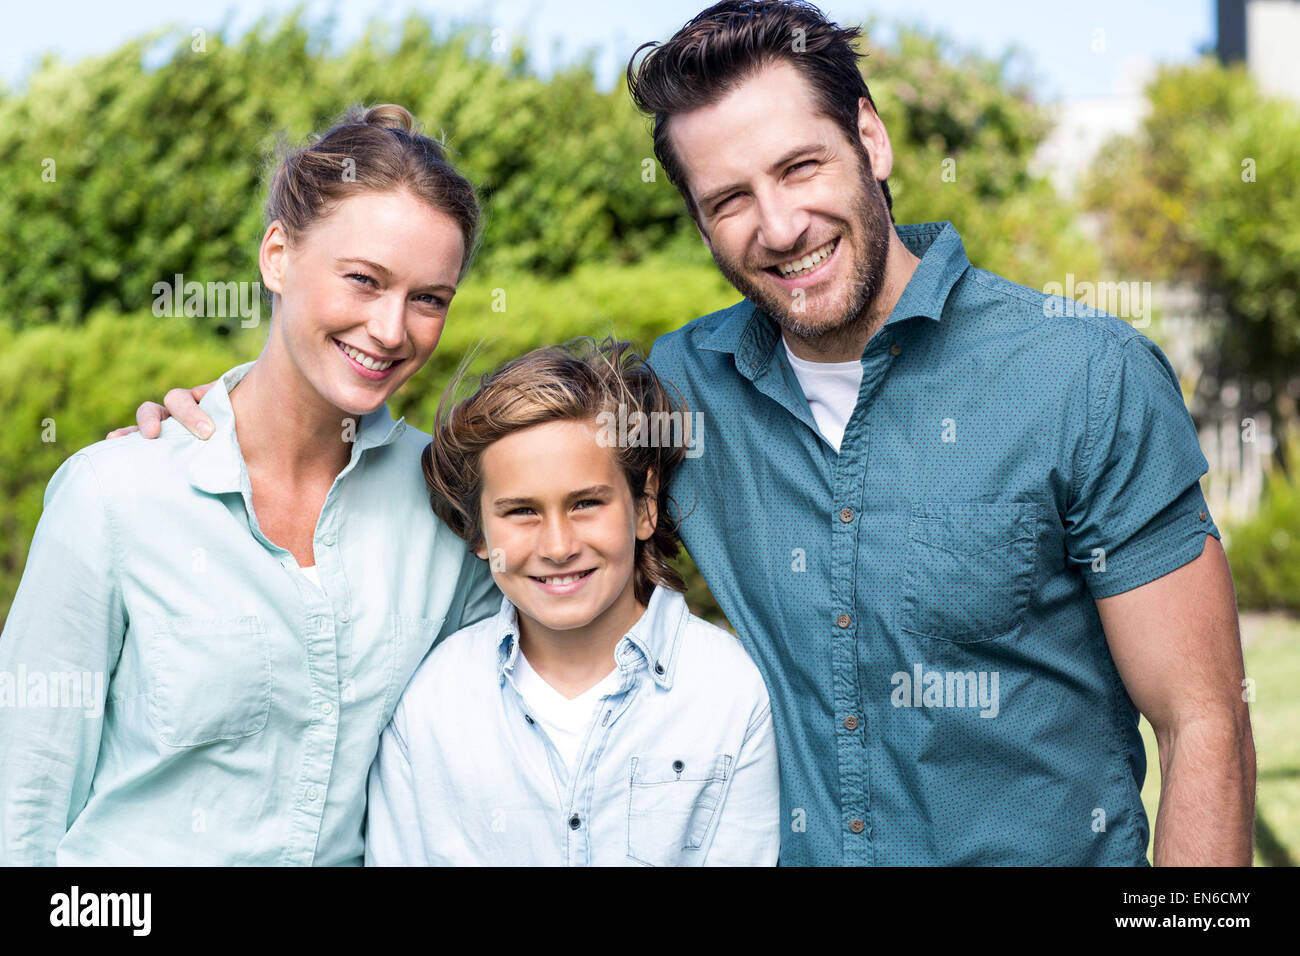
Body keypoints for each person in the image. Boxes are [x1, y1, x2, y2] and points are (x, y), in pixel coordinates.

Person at [119, 1, 1258, 867]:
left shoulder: (1082, 376)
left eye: (801, 166)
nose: (778, 225)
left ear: (870, 135)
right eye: (727, 199)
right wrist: (234, 425)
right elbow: (510, 457)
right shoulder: (678, 390)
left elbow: (1201, 720)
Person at [0, 104, 498, 866]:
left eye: (429, 297)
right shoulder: (115, 496)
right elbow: (24, 802)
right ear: (277, 257)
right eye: (364, 280)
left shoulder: (451, 504)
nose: (394, 329)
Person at [364, 338, 780, 865]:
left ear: (645, 506)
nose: (558, 546)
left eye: (586, 503)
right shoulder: (432, 705)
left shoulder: (729, 693)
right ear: (479, 533)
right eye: (520, 512)